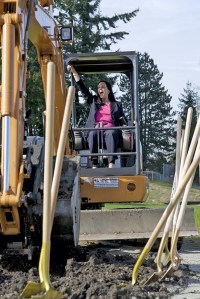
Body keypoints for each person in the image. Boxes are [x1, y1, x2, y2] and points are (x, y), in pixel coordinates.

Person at [67, 64, 127, 168]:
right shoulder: (94, 101)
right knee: (92, 133)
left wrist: (129, 122)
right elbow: (83, 89)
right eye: (98, 87)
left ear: (108, 90)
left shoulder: (116, 105)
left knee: (111, 133)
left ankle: (111, 163)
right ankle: (94, 163)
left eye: (102, 87)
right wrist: (74, 73)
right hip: (96, 128)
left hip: (110, 129)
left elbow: (123, 118)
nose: (100, 89)